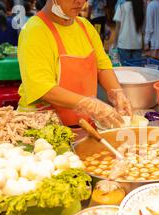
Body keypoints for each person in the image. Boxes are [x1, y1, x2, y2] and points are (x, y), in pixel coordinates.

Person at [17, 0, 132, 129]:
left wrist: (117, 92)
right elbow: (43, 88)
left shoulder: (85, 26)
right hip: (42, 126)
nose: (79, 2)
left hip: (82, 123)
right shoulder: (34, 31)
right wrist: (92, 105)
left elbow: (102, 66)